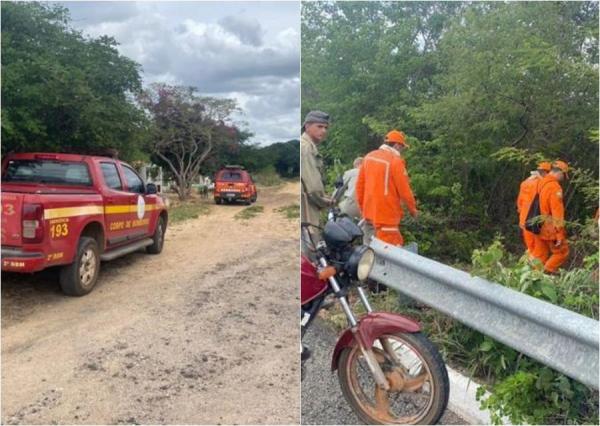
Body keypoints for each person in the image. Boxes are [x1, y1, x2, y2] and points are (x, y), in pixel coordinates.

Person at [355, 129, 417, 246]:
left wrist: (363, 210)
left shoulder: (368, 157)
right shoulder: (395, 161)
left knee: (368, 254)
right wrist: (413, 210)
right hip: (386, 218)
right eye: (402, 147)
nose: (402, 150)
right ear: (397, 145)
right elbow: (405, 192)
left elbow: (359, 187)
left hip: (368, 215)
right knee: (388, 257)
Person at [530, 160, 570, 274]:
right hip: (549, 228)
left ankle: (532, 279)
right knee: (562, 252)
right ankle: (545, 275)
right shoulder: (554, 187)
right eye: (563, 176)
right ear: (560, 173)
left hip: (537, 225)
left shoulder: (540, 183)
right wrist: (560, 233)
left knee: (539, 256)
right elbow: (557, 213)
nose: (563, 179)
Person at [300, 111, 332, 253]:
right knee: (310, 252)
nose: (323, 131)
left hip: (306, 204)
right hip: (307, 208)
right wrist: (325, 201)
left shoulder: (307, 146)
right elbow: (312, 188)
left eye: (326, 127)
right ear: (307, 126)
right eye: (319, 126)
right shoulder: (306, 148)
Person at [516, 162, 551, 257]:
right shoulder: (543, 184)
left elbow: (519, 203)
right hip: (535, 222)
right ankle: (535, 271)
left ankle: (526, 270)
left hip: (524, 222)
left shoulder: (525, 182)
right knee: (540, 252)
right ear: (546, 172)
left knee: (530, 249)